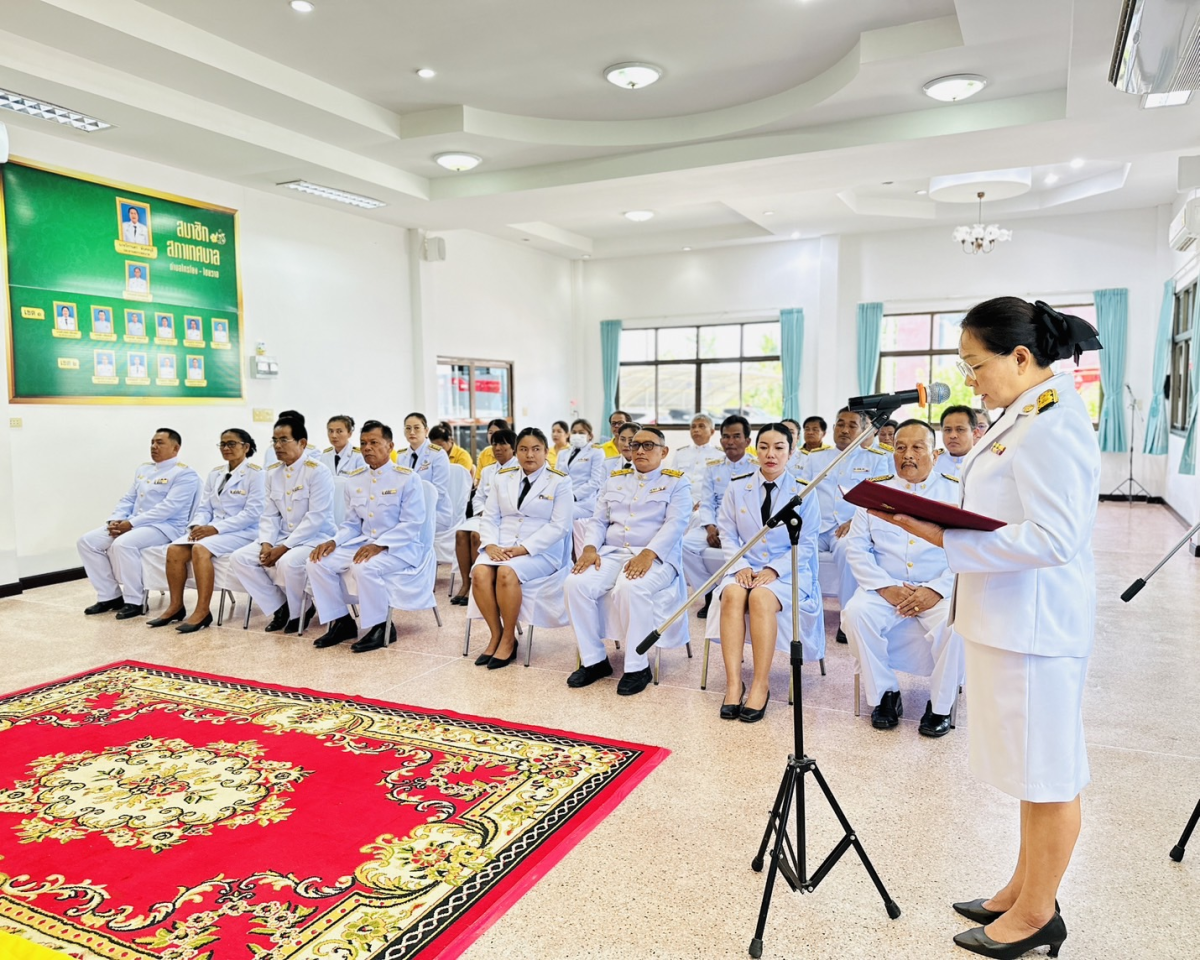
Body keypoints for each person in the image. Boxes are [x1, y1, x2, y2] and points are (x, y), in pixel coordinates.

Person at [871, 298, 1101, 958]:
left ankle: (1038, 915)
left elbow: (1057, 537)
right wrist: (935, 522)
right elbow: (1004, 510)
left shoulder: (1053, 422)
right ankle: (1022, 888)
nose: (970, 380)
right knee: (1030, 770)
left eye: (975, 365)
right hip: (1008, 621)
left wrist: (948, 539)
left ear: (1021, 357)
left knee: (1051, 773)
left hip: (1037, 628)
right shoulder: (1023, 416)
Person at [841, 420, 963, 736]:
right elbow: (856, 547)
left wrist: (935, 589)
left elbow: (970, 551)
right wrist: (886, 587)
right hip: (885, 585)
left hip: (938, 588)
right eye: (900, 447)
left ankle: (940, 705)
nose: (907, 455)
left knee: (958, 628)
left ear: (935, 454)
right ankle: (885, 695)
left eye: (917, 447)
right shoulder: (873, 492)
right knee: (856, 614)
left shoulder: (957, 490)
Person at [565, 427, 691, 696]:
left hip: (658, 558)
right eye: (636, 446)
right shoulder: (615, 480)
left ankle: (637, 666)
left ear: (663, 451)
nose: (641, 451)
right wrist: (589, 548)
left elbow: (676, 524)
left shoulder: (677, 482)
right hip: (611, 553)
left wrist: (649, 554)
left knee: (630, 588)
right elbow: (598, 521)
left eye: (648, 446)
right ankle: (595, 660)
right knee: (575, 583)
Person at [715, 423, 821, 723]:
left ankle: (761, 684)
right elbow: (727, 532)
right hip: (743, 566)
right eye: (763, 447)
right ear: (755, 449)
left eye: (778, 448)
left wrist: (774, 570)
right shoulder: (737, 486)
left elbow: (808, 541)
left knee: (761, 598)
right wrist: (740, 566)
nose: (770, 454)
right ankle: (734, 683)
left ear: (791, 452)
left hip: (788, 573)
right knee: (733, 594)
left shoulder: (805, 490)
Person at [307, 420, 427, 654]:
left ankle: (382, 626)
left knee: (363, 567)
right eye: (363, 443)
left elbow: (412, 524)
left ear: (390, 445)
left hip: (400, 547)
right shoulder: (355, 479)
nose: (367, 448)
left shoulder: (407, 478)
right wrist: (334, 541)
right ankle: (342, 621)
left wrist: (380, 545)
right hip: (362, 543)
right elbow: (352, 524)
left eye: (374, 442)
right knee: (317, 562)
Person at [471, 427, 573, 668]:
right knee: (480, 573)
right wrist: (491, 544)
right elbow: (489, 516)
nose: (530, 455)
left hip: (541, 551)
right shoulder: (502, 477)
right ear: (515, 452)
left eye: (536, 449)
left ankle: (508, 639)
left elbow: (560, 526)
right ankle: (495, 634)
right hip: (501, 545)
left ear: (546, 452)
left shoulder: (560, 481)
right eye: (524, 449)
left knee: (507, 572)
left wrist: (524, 548)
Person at [149, 429, 265, 632]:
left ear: (246, 447)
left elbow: (252, 514)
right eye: (222, 444)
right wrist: (196, 526)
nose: (226, 448)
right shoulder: (215, 473)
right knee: (174, 550)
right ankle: (176, 606)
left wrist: (215, 528)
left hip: (244, 531)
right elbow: (204, 507)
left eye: (231, 444)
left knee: (200, 549)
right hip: (212, 530)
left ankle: (203, 611)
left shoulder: (257, 475)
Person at [230, 413, 336, 633]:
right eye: (274, 441)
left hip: (314, 537)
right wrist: (267, 543)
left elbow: (316, 517)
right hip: (280, 536)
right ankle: (280, 607)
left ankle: (301, 611)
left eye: (283, 440)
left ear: (302, 443)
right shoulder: (272, 474)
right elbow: (269, 514)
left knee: (288, 562)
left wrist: (284, 547)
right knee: (240, 558)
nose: (277, 446)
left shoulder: (318, 472)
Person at [77, 429, 199, 619]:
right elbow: (129, 499)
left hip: (165, 527)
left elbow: (168, 508)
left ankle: (135, 601)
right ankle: (110, 596)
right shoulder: (144, 469)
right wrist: (115, 520)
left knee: (123, 543)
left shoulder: (184, 474)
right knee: (87, 541)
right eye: (152, 442)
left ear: (175, 448)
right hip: (134, 523)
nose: (154, 447)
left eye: (160, 443)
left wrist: (131, 524)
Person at [801, 407, 890, 641]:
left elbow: (880, 499)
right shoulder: (816, 458)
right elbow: (803, 493)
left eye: (852, 425)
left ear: (863, 431)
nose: (845, 429)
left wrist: (855, 521)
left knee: (849, 551)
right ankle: (803, 612)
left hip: (850, 528)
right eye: (840, 424)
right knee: (798, 551)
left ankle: (847, 618)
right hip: (817, 527)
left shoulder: (876, 459)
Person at [681, 415, 757, 618]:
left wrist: (728, 531)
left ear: (747, 441)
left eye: (736, 436)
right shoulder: (713, 467)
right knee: (684, 546)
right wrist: (710, 527)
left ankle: (744, 593)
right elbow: (707, 502)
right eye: (726, 437)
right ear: (720, 439)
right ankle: (709, 592)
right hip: (714, 524)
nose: (730, 441)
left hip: (745, 527)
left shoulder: (757, 467)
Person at [451, 428, 516, 605]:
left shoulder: (518, 469)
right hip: (484, 514)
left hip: (503, 518)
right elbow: (478, 497)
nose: (498, 448)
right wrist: (481, 511)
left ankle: (479, 586)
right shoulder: (488, 471)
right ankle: (466, 583)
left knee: (475, 535)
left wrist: (491, 514)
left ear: (513, 447)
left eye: (503, 443)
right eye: (494, 444)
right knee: (460, 533)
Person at [396, 412, 453, 532]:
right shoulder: (401, 456)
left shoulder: (438, 454)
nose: (412, 432)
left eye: (417, 428)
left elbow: (439, 491)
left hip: (434, 512)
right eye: (408, 428)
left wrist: (414, 510)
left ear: (426, 431)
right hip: (408, 512)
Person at [561, 419, 603, 555]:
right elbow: (557, 477)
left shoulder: (596, 452)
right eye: (574, 432)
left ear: (590, 435)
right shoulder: (563, 453)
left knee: (563, 515)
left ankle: (571, 555)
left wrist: (573, 496)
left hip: (584, 502)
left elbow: (595, 482)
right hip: (563, 497)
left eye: (581, 432)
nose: (577, 435)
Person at [670, 413, 720, 493]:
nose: (696, 430)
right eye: (693, 427)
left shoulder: (720, 454)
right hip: (682, 500)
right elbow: (672, 479)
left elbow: (721, 485)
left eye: (701, 426)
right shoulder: (680, 453)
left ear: (712, 431)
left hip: (707, 502)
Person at [936, 405, 979, 478]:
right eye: (948, 430)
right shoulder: (933, 462)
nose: (953, 435)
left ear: (974, 433)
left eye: (960, 430)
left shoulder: (985, 461)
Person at [473, 418, 515, 483]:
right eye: (490, 433)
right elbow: (478, 480)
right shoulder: (484, 453)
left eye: (497, 432)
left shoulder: (515, 453)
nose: (493, 435)